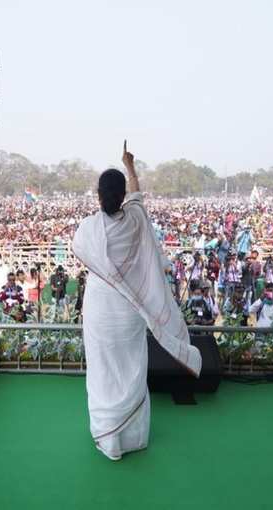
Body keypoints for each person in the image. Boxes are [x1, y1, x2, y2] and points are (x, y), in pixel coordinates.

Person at [72, 141, 201, 461]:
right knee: (130, 367)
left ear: (99, 196)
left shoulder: (88, 229)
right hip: (128, 310)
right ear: (121, 197)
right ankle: (131, 437)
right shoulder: (135, 219)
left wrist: (126, 167)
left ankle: (108, 437)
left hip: (100, 308)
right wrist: (130, 165)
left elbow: (84, 256)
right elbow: (138, 196)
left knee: (103, 370)